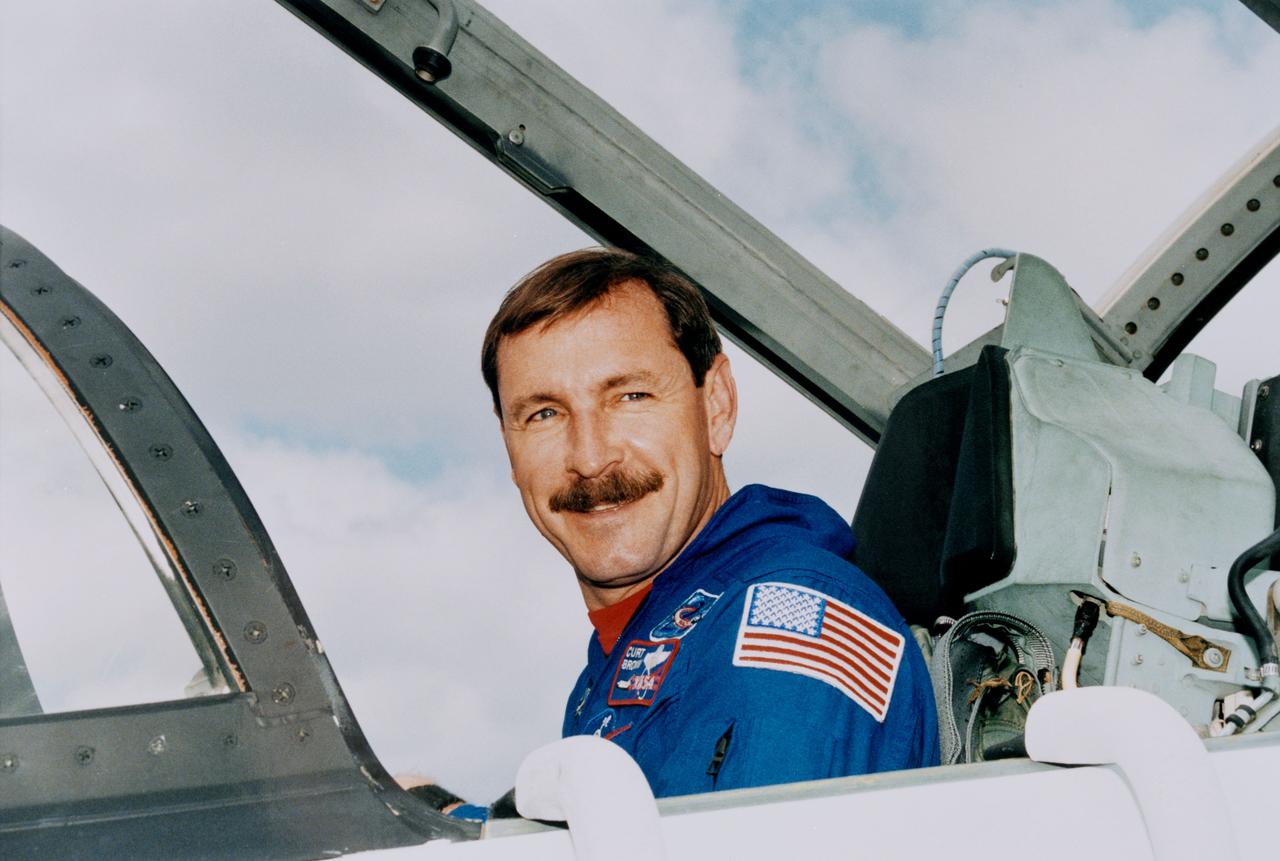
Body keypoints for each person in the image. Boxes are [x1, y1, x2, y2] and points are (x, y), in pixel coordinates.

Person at [481, 248, 939, 798]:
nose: (590, 457)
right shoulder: (616, 670)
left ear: (716, 406)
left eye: (630, 396)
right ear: (510, 447)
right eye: (544, 414)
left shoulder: (790, 614)